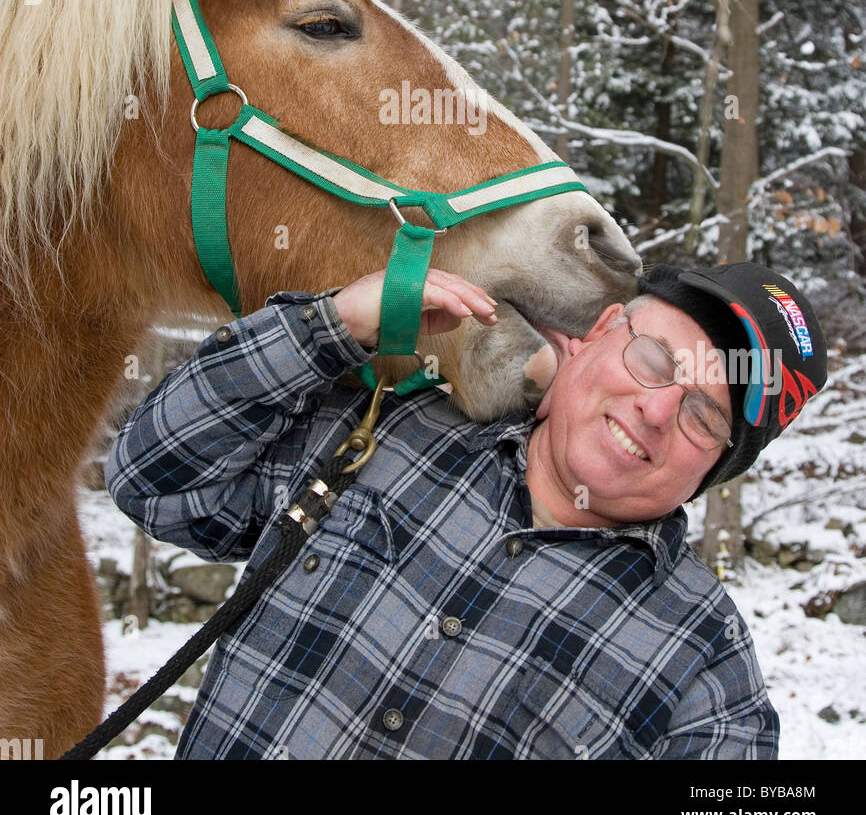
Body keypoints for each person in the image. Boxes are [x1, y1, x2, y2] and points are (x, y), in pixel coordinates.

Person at [104, 260, 827, 760]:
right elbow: (155, 478)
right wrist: (330, 327)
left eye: (704, 416)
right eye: (656, 361)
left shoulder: (708, 672)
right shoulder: (382, 430)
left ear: (716, 468)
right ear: (600, 331)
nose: (658, 408)